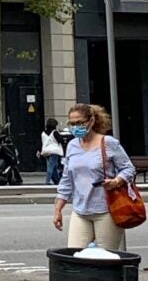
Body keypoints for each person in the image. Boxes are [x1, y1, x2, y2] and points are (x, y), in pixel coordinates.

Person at [52, 103, 139, 251]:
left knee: (106, 257)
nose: (75, 127)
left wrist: (116, 181)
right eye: (71, 124)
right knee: (75, 255)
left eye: (79, 123)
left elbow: (128, 168)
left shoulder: (108, 143)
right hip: (80, 211)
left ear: (91, 121)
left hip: (106, 210)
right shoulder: (72, 145)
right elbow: (67, 179)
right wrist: (58, 210)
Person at [38, 117, 66, 186]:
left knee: (54, 166)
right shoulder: (55, 132)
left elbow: (41, 142)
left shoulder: (43, 133)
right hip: (54, 151)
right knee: (50, 166)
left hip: (46, 151)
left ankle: (57, 181)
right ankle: (47, 181)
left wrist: (39, 150)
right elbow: (60, 140)